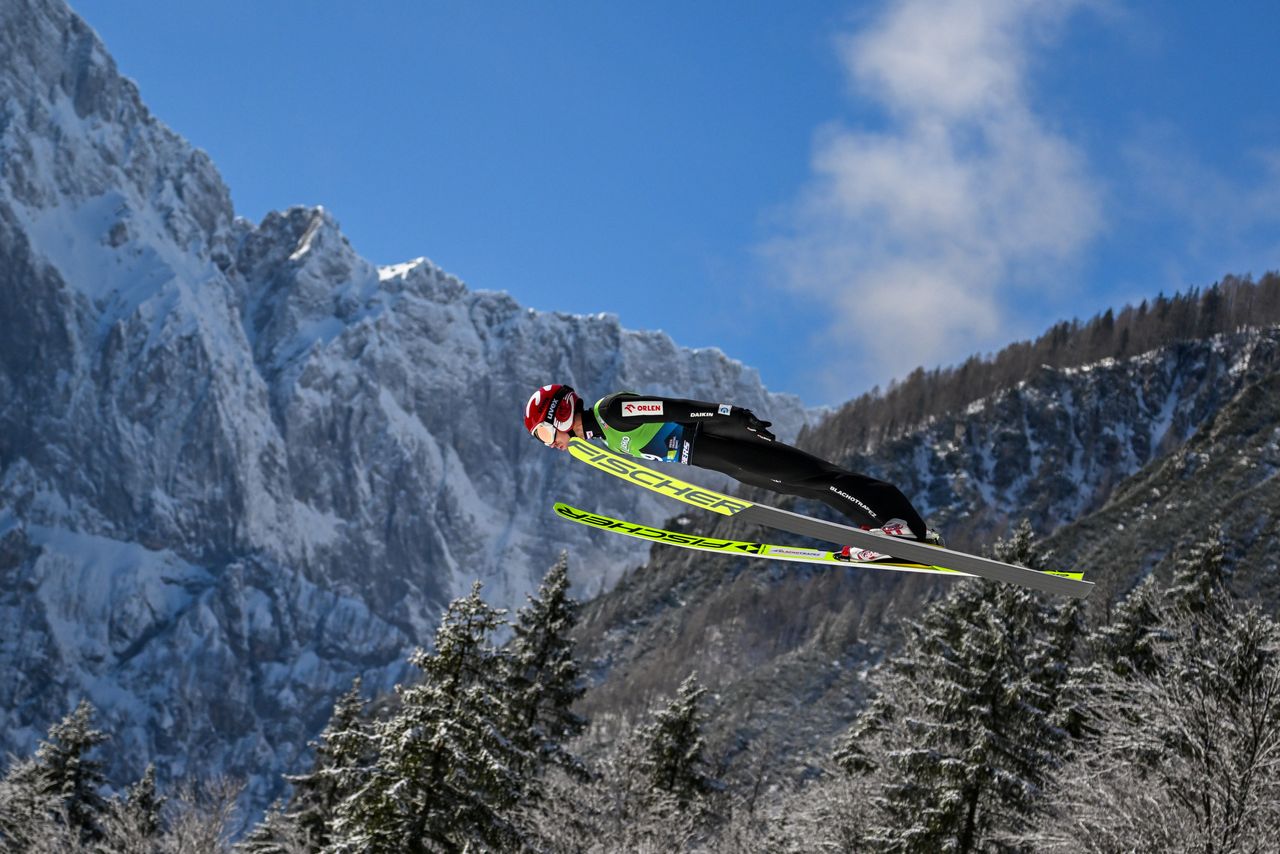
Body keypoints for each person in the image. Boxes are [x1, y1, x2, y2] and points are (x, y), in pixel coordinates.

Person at [523, 384, 942, 556]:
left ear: (560, 414)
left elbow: (674, 408)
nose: (550, 445)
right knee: (813, 486)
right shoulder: (601, 436)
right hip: (722, 460)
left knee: (820, 479)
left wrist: (732, 416)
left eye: (544, 434)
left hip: (725, 443)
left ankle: (900, 526)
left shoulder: (611, 411)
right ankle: (883, 532)